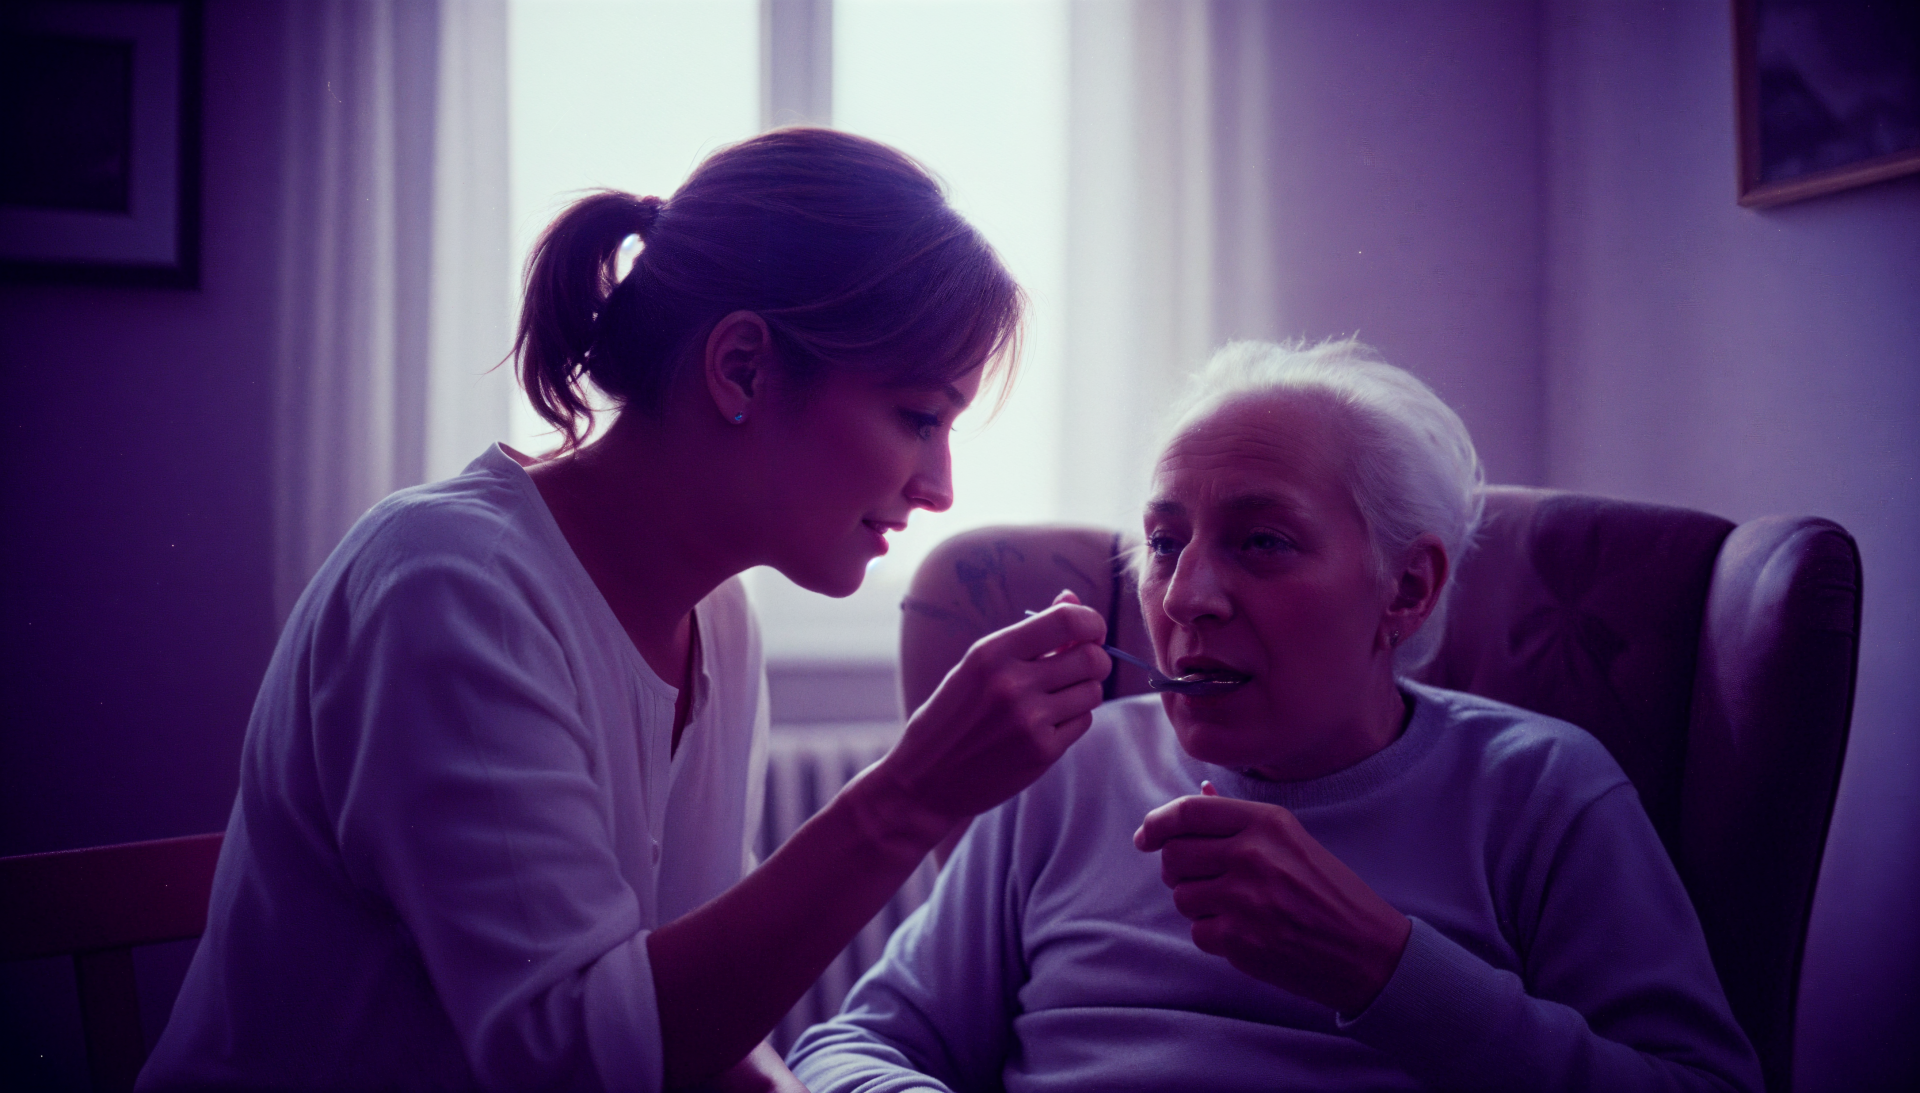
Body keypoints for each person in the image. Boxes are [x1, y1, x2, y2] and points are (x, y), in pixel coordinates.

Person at [140, 128, 1112, 1093]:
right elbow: (573, 1060)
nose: (941, 487)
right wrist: (913, 793)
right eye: (920, 416)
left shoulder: (719, 621)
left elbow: (695, 1022)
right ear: (741, 367)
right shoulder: (449, 587)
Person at [787, 339, 1765, 1092]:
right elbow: (856, 1044)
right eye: (1165, 543)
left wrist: (1383, 966)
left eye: (1262, 541)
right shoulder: (1068, 770)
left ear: (1407, 589)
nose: (1186, 598)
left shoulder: (1542, 790)